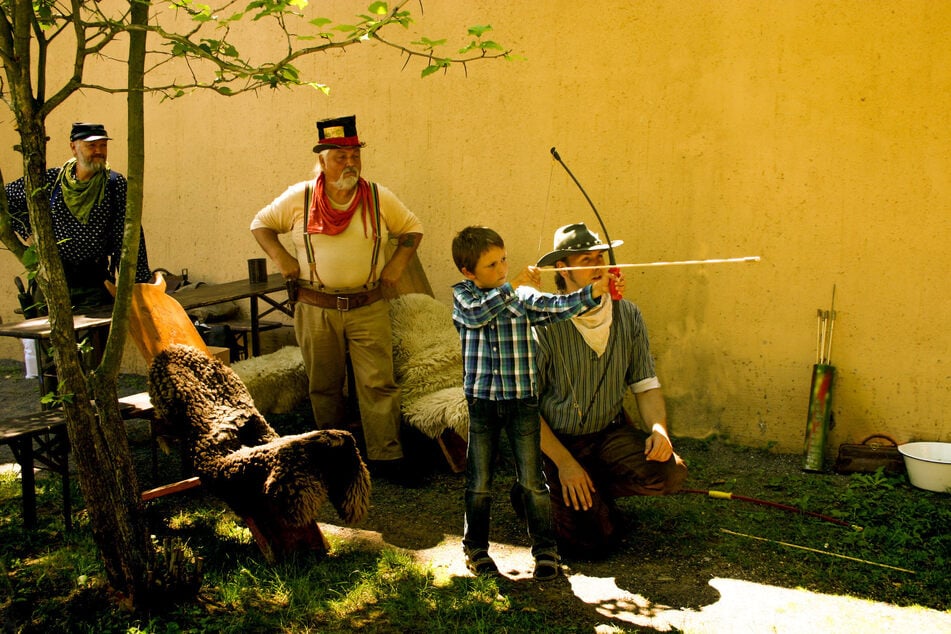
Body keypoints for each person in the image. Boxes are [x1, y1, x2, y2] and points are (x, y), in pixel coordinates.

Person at [250, 115, 423, 485]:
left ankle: (387, 456)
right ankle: (333, 457)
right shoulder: (299, 197)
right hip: (316, 306)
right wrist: (282, 259)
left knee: (378, 383)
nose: (350, 163)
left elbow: (412, 230)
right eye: (341, 156)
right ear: (323, 160)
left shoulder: (378, 196)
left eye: (355, 155)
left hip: (368, 304)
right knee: (325, 384)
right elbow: (260, 225)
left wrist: (395, 266)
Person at [450, 226, 614, 581]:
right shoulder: (464, 297)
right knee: (478, 482)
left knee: (533, 482)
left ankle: (545, 550)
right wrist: (514, 289)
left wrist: (593, 293)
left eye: (504, 260)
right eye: (491, 265)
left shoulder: (520, 296)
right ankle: (475, 549)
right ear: (468, 272)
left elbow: (557, 307)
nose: (502, 269)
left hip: (523, 403)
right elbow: (479, 315)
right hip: (482, 404)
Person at [533, 222, 688, 558]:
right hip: (557, 445)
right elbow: (524, 408)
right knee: (591, 545)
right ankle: (534, 491)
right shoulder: (544, 321)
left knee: (669, 472)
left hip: (607, 435)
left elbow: (645, 386)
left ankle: (592, 493)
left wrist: (659, 431)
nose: (598, 266)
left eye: (601, 257)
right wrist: (565, 464)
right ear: (563, 268)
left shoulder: (628, 314)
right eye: (586, 259)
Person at [5, 122, 152, 309]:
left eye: (103, 145)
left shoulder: (114, 184)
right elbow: (7, 199)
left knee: (97, 336)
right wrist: (28, 233)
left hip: (94, 282)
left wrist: (138, 284)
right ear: (73, 147)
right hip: (52, 279)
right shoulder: (51, 180)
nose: (99, 151)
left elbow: (129, 234)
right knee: (47, 337)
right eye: (91, 145)